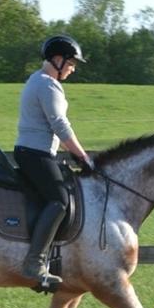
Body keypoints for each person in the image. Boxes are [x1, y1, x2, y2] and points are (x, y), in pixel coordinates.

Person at [14, 34, 95, 288]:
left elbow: (48, 127)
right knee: (59, 201)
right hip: (36, 154)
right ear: (57, 59)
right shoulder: (48, 85)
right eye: (71, 63)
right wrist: (81, 155)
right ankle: (34, 262)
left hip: (32, 151)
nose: (72, 69)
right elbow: (59, 124)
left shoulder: (35, 81)